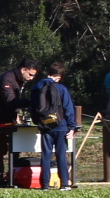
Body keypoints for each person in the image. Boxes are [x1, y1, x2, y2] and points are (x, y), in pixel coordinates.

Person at [29, 62, 78, 190]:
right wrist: (72, 127)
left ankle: (44, 184)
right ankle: (64, 184)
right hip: (60, 125)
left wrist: (37, 122)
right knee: (61, 155)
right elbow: (68, 109)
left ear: (47, 73)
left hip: (45, 126)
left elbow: (33, 107)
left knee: (46, 155)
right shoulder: (61, 89)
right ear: (59, 76)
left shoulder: (36, 87)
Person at [0, 60, 37, 187]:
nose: (31, 78)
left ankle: (13, 175)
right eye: (30, 74)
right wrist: (31, 102)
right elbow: (10, 101)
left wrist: (17, 113)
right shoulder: (7, 79)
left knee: (15, 148)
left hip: (11, 118)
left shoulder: (20, 80)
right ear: (23, 70)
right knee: (1, 149)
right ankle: (0, 177)